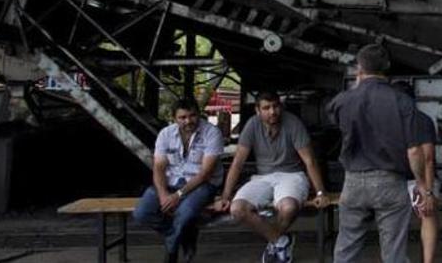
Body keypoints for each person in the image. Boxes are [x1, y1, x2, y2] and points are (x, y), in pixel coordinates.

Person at [328, 45, 432, 263]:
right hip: (390, 182)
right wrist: (421, 184)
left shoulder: (343, 100)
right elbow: (414, 150)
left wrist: (357, 88)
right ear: (387, 67)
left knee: (346, 247)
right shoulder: (402, 100)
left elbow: (336, 120)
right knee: (393, 251)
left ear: (359, 68)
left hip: (353, 181)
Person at [214, 91, 328, 263]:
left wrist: (320, 193)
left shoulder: (292, 123)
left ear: (280, 106)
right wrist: (225, 196)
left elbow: (309, 160)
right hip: (263, 177)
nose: (272, 111)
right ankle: (280, 240)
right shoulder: (252, 125)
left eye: (275, 106)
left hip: (292, 175)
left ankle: (274, 243)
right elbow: (237, 163)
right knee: (237, 209)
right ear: (257, 110)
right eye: (266, 108)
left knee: (288, 207)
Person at [133, 99, 224, 263]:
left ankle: (171, 251)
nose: (188, 121)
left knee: (185, 213)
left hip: (202, 184)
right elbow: (159, 167)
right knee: (142, 213)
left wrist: (178, 195)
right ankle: (181, 236)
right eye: (182, 117)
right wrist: (163, 195)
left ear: (199, 114)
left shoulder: (212, 132)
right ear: (174, 118)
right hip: (171, 182)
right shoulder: (165, 134)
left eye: (192, 115)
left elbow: (205, 173)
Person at [390, 79, 441, 263]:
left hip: (411, 180)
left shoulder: (418, 121)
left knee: (425, 212)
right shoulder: (423, 119)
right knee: (425, 213)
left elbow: (428, 160)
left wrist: (427, 191)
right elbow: (428, 158)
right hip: (400, 180)